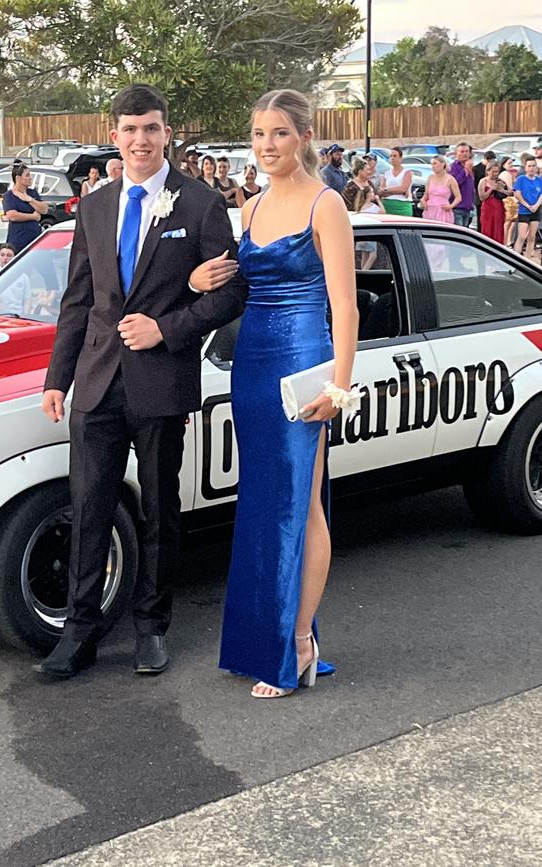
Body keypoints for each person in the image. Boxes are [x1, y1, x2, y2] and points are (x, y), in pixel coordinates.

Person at [38, 83, 247, 680]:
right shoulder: (96, 206)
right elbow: (79, 299)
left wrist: (167, 328)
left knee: (159, 509)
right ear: (114, 136)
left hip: (161, 381)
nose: (141, 140)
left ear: (167, 133)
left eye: (151, 128)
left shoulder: (200, 204)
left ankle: (151, 628)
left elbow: (233, 291)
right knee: (89, 508)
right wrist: (59, 377)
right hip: (97, 383)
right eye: (130, 130)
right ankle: (79, 632)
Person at [217, 89, 358, 699]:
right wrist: (203, 277)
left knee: (301, 502)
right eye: (257, 134)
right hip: (252, 364)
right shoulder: (247, 209)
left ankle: (298, 642)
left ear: (302, 136)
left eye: (278, 133)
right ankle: (263, 639)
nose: (266, 145)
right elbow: (237, 290)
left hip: (304, 361)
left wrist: (340, 385)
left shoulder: (328, 206)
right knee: (262, 501)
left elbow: (346, 307)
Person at [3, 162, 49, 252]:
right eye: (27, 175)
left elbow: (44, 209)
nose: (30, 178)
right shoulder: (9, 195)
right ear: (18, 178)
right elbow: (12, 216)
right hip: (18, 238)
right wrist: (33, 216)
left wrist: (29, 200)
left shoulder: (32, 193)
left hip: (35, 236)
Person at [513, 155, 542, 260]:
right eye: (529, 166)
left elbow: (541, 195)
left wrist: (536, 206)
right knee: (522, 236)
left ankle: (528, 259)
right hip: (524, 210)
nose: (531, 168)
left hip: (535, 210)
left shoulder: (539, 180)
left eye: (533, 166)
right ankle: (516, 257)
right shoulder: (521, 179)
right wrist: (527, 205)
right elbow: (517, 194)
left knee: (532, 236)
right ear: (525, 167)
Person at [478, 160, 511, 244]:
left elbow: (509, 193)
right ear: (488, 171)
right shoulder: (483, 181)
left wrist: (502, 190)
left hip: (498, 208)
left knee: (498, 230)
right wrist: (491, 189)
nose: (495, 174)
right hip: (487, 209)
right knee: (487, 230)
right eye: (493, 172)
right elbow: (482, 197)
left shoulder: (500, 181)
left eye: (497, 172)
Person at [421, 155, 461, 223]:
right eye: (432, 164)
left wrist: (451, 206)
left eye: (435, 163)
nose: (433, 166)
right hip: (430, 209)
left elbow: (458, 197)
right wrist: (422, 200)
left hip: (443, 210)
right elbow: (426, 194)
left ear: (443, 164)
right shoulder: (430, 178)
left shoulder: (450, 179)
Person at [353, 184, 385, 270]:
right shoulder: (373, 207)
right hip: (371, 233)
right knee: (373, 255)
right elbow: (383, 212)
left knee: (365, 255)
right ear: (367, 194)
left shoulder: (360, 207)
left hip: (363, 233)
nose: (373, 194)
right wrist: (379, 201)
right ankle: (365, 271)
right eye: (371, 192)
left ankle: (363, 272)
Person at [378, 146, 413, 216]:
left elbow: (403, 189)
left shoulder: (407, 172)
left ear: (401, 158)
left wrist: (386, 190)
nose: (392, 158)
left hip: (403, 206)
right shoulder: (386, 173)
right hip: (387, 205)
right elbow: (380, 192)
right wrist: (397, 191)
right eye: (390, 156)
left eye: (395, 156)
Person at [449, 142, 475, 227]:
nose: (465, 154)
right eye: (462, 151)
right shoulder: (454, 167)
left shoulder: (470, 167)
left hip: (467, 207)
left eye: (467, 151)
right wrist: (465, 170)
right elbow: (455, 183)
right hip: (457, 207)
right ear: (456, 153)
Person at [473, 150, 496, 233]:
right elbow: (474, 184)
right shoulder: (476, 169)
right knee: (480, 219)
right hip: (479, 197)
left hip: (491, 198)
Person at [499, 156, 518, 247]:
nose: (511, 165)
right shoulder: (505, 174)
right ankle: (506, 241)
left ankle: (508, 240)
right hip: (508, 200)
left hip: (509, 199)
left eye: (511, 163)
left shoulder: (508, 174)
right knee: (508, 222)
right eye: (509, 163)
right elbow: (510, 188)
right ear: (503, 164)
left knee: (512, 221)